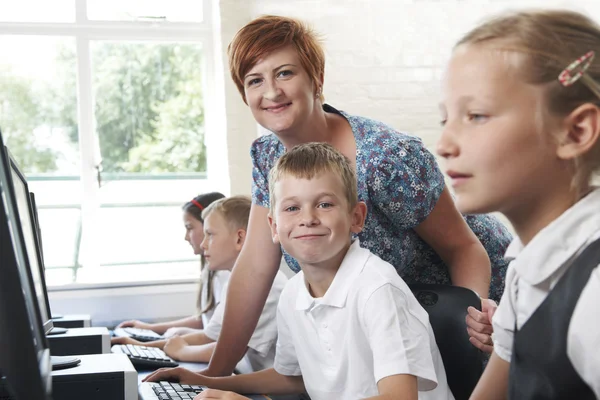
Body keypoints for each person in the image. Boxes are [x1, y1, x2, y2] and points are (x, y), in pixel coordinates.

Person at [204, 15, 513, 376]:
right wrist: (212, 376)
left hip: (473, 296)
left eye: (285, 73)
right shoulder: (267, 157)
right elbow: (255, 267)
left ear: (316, 80)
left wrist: (473, 327)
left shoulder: (385, 157)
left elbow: (464, 248)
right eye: (255, 80)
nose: (271, 92)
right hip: (396, 320)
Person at [144, 143, 454, 400]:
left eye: (324, 205)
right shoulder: (293, 294)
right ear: (274, 227)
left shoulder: (377, 289)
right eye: (292, 208)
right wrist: (208, 381)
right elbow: (291, 378)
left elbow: (399, 398)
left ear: (356, 218)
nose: (308, 219)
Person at [437, 9, 600, 399]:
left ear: (575, 131)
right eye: (445, 119)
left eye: (476, 116)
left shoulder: (593, 292)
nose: (444, 145)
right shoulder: (526, 270)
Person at [116, 196, 288, 372]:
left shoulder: (266, 285)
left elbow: (225, 349)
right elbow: (214, 337)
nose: (204, 244)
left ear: (239, 239)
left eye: (210, 235)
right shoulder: (235, 281)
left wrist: (180, 350)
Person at [115, 192, 227, 338]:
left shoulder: (225, 273)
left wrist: (171, 340)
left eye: (190, 227)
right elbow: (206, 320)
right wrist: (150, 328)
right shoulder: (210, 269)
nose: (186, 237)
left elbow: (217, 334)